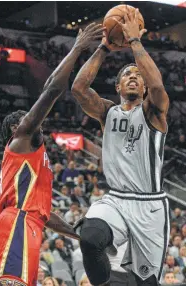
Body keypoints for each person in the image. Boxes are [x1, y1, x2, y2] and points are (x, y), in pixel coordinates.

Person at [0, 23, 105, 286]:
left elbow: (44, 214)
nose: (36, 122)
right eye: (27, 119)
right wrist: (77, 47)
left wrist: (78, 236)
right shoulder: (22, 139)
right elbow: (52, 89)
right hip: (16, 223)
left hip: (27, 223)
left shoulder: (33, 159)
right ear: (17, 127)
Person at [72, 9, 170, 286]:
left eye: (138, 76)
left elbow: (159, 87)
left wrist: (135, 42)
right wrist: (104, 47)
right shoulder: (107, 113)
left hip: (149, 207)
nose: (133, 77)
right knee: (89, 238)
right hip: (115, 199)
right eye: (127, 74)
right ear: (117, 87)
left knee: (146, 282)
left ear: (143, 87)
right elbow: (79, 88)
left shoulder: (154, 113)